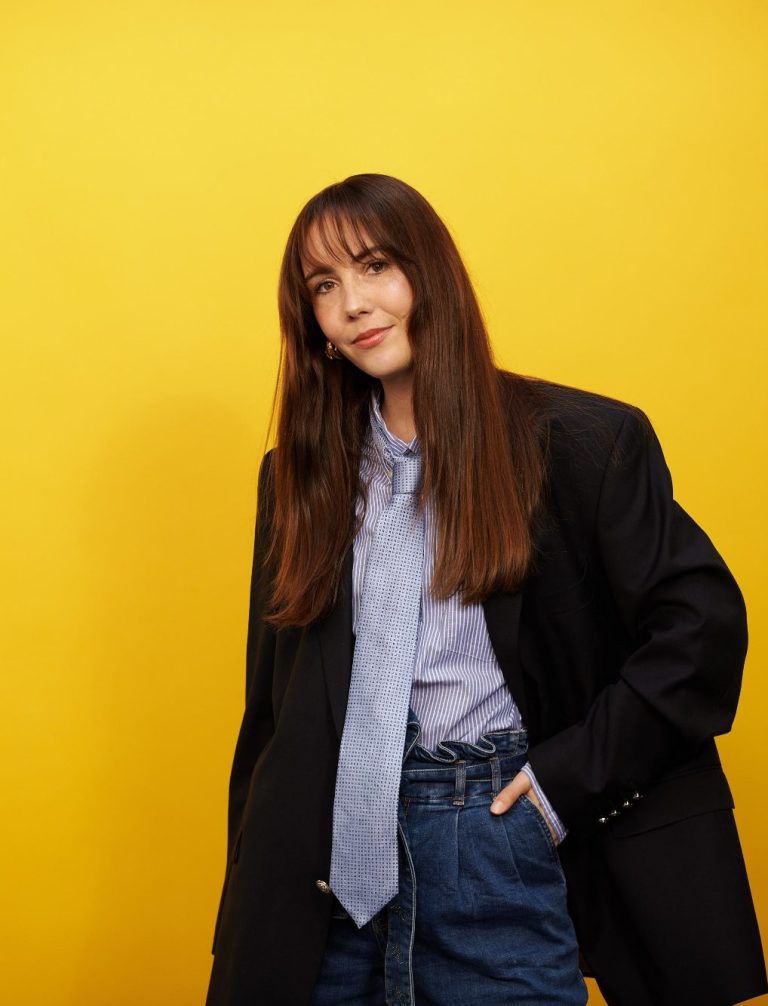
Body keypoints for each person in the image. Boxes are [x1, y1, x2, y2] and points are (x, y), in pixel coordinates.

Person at [205, 173, 767, 1006]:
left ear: (430, 273)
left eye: (374, 267)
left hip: (491, 847)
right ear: (314, 328)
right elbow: (270, 715)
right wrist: (249, 902)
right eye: (324, 287)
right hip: (326, 874)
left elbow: (704, 628)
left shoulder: (580, 444)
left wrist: (557, 789)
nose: (353, 303)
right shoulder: (296, 480)